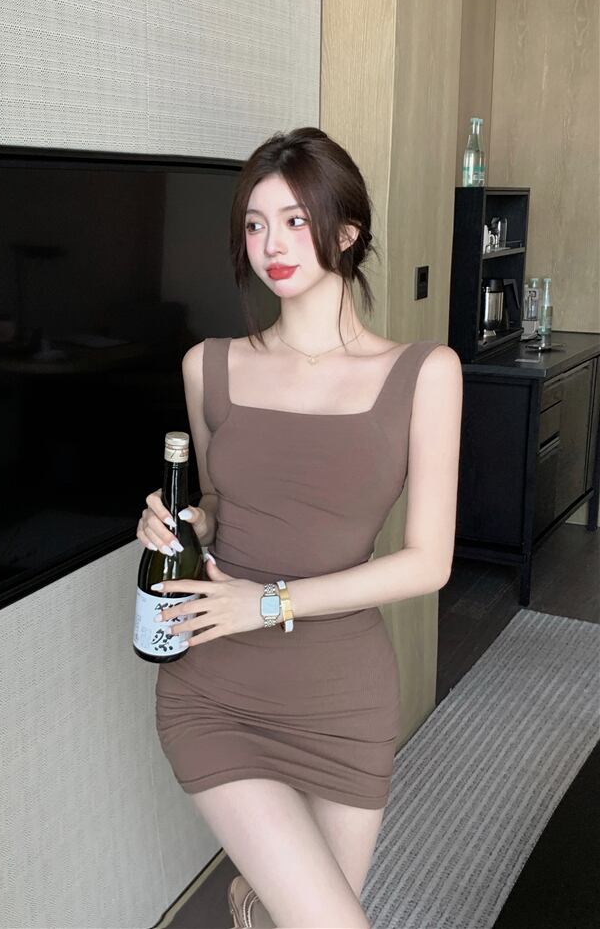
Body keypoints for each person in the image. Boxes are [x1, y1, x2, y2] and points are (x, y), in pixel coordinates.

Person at [136, 127, 463, 928]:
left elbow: (427, 562)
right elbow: (221, 500)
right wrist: (183, 521)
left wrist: (269, 602)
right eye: (255, 224)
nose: (272, 245)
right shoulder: (209, 365)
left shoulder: (425, 373)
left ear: (346, 233)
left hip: (343, 699)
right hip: (214, 686)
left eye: (294, 221)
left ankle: (251, 903)